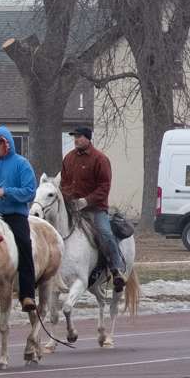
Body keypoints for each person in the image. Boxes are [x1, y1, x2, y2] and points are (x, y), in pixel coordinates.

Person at [60, 125, 125, 292]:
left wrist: (86, 201)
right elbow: (63, 184)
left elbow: (104, 187)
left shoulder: (100, 159)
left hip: (95, 209)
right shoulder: (68, 158)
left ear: (88, 139)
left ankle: (116, 270)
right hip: (72, 208)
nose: (76, 139)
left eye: (79, 137)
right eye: (74, 137)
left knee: (105, 233)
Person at [0, 126, 38, 311]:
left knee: (24, 245)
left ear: (8, 144)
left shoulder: (21, 164)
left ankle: (27, 296)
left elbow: (30, 191)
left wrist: (5, 191)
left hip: (15, 215)